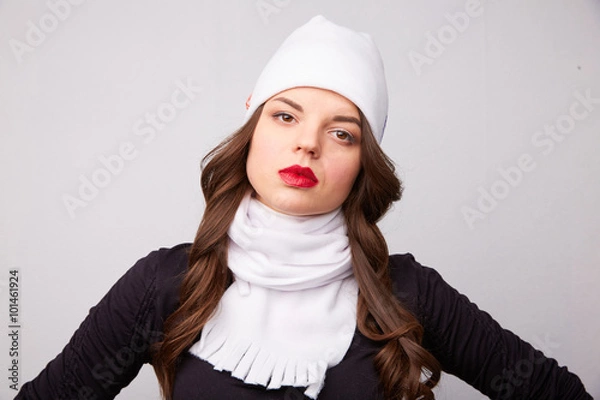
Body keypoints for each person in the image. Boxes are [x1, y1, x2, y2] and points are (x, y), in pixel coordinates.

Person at [16, 15, 592, 400]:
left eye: (341, 134)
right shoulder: (166, 284)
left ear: (364, 163)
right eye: (285, 116)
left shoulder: (406, 294)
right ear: (253, 129)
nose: (307, 144)